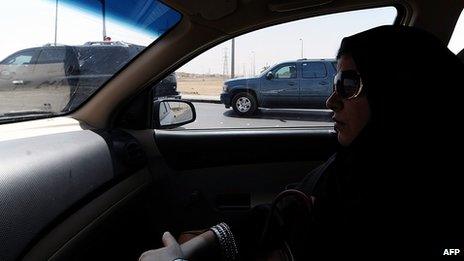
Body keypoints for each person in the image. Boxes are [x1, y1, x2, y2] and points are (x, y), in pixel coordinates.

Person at [139, 25, 464, 260]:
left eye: (348, 84)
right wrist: (203, 244)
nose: (331, 101)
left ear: (399, 94)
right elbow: (288, 209)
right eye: (336, 81)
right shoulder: (352, 164)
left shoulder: (421, 207)